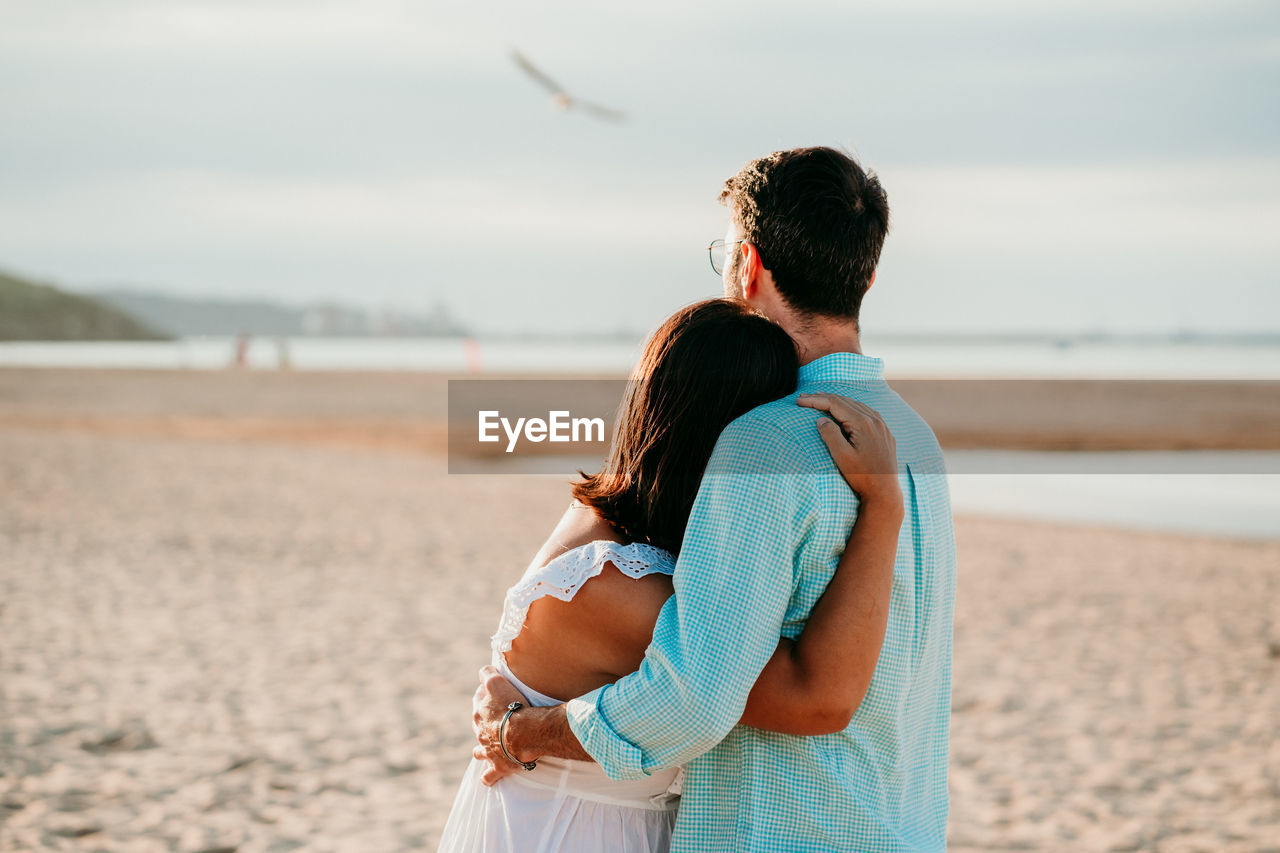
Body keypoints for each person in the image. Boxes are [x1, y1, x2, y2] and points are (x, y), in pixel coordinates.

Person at [472, 147, 956, 852]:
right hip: (906, 829)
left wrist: (524, 730)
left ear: (749, 266)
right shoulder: (917, 441)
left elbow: (694, 697)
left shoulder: (764, 443)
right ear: (868, 275)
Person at [438, 298, 904, 852]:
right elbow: (812, 697)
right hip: (573, 833)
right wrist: (883, 508)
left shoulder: (613, 515)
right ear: (731, 432)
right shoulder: (619, 587)